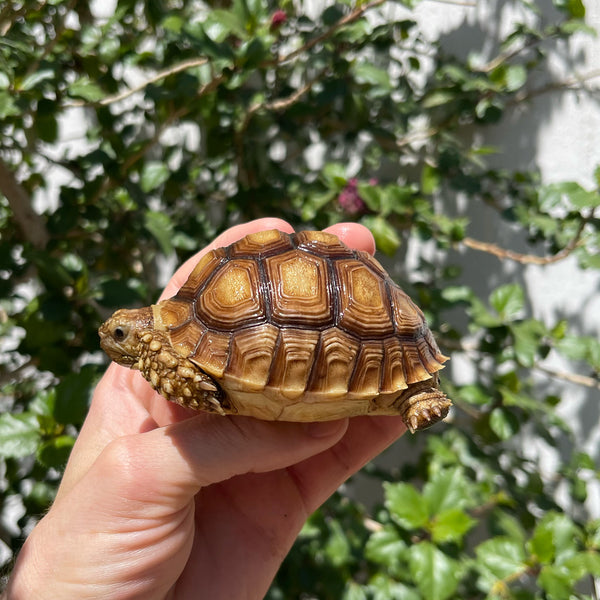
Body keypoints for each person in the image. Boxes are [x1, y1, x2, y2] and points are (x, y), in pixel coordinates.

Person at [4, 218, 406, 599]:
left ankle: (414, 391)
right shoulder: (192, 316)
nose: (113, 343)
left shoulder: (174, 341)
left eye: (122, 335)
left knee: (402, 395)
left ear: (146, 335)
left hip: (349, 330)